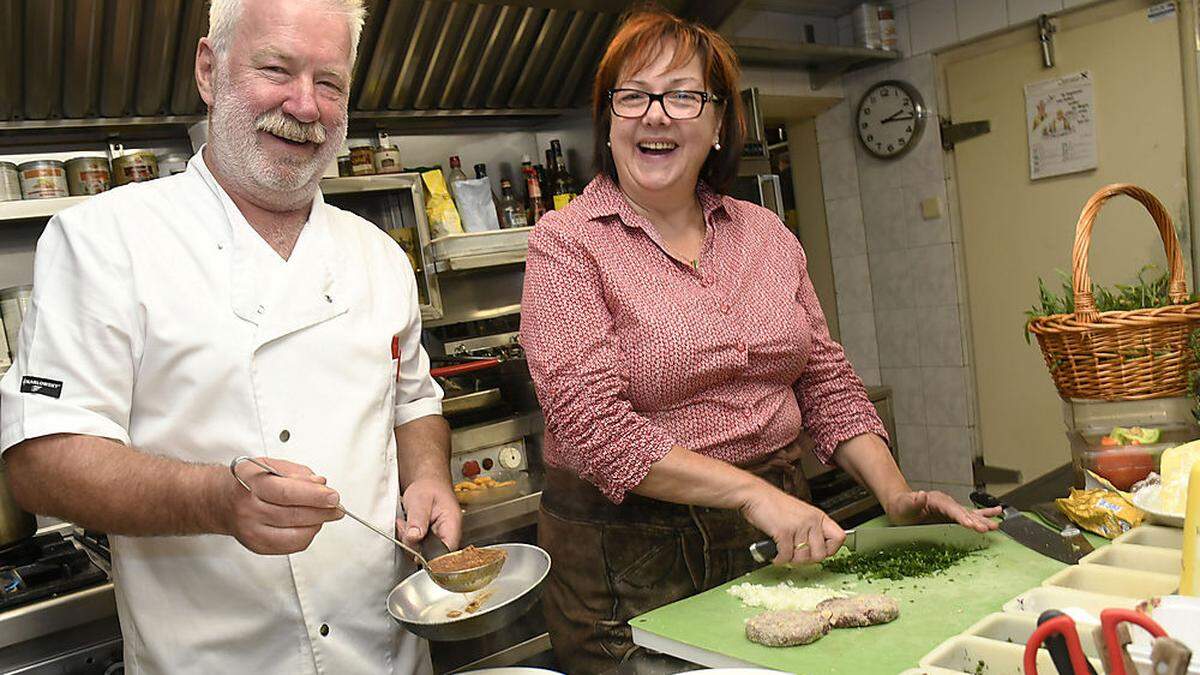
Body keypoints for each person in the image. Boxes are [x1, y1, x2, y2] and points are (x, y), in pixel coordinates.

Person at [519, 9, 1002, 673]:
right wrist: (750, 493)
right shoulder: (567, 242)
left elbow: (825, 379)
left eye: (683, 94)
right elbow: (593, 426)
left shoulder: (766, 234)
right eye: (632, 95)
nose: (655, 114)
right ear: (609, 119)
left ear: (719, 123)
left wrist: (894, 493)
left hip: (776, 533)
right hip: (628, 562)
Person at [0, 1, 459, 672]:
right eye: (276, 69)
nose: (304, 106)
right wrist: (213, 499)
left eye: (329, 83)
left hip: (385, 655)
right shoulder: (104, 241)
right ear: (208, 71)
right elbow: (41, 462)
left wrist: (428, 476)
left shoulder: (379, 257)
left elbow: (414, 405)